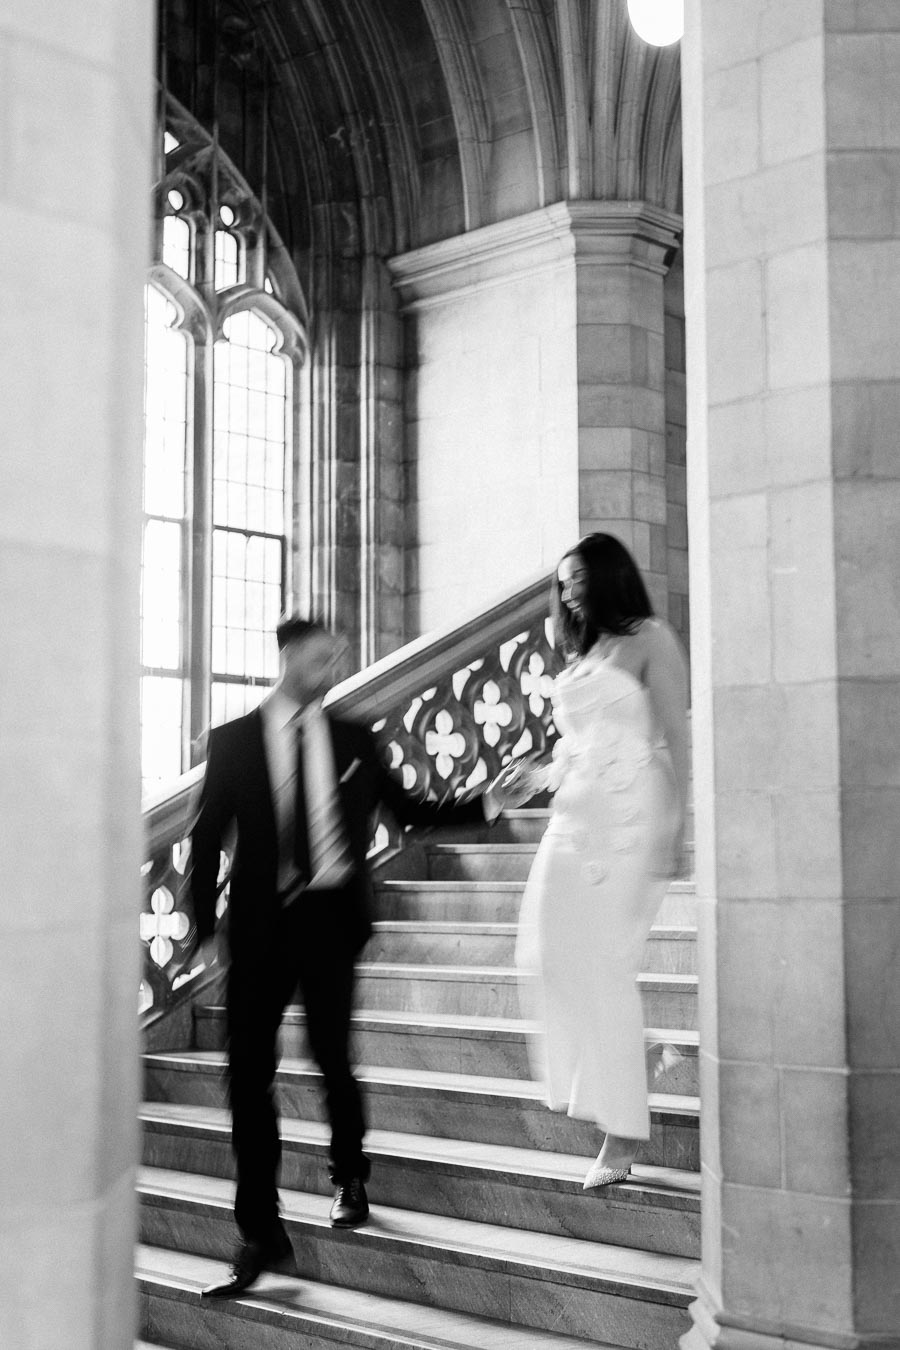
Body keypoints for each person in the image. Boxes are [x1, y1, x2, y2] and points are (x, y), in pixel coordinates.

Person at [186, 615, 527, 1298]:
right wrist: (202, 932)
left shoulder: (352, 738)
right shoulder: (232, 744)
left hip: (329, 920)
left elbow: (411, 810)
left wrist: (489, 802)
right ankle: (259, 1230)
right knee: (246, 1077)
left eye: (336, 658)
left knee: (332, 1056)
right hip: (257, 930)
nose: (331, 668)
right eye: (319, 658)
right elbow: (201, 842)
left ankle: (350, 1175)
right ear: (286, 658)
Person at [511, 534, 689, 1189]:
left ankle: (623, 1132)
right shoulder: (584, 653)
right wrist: (532, 777)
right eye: (562, 582)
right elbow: (574, 746)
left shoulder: (652, 639)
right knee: (542, 953)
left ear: (607, 574)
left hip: (631, 820)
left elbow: (679, 737)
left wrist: (681, 828)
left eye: (578, 577)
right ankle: (633, 1062)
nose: (569, 591)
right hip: (574, 816)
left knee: (608, 965)